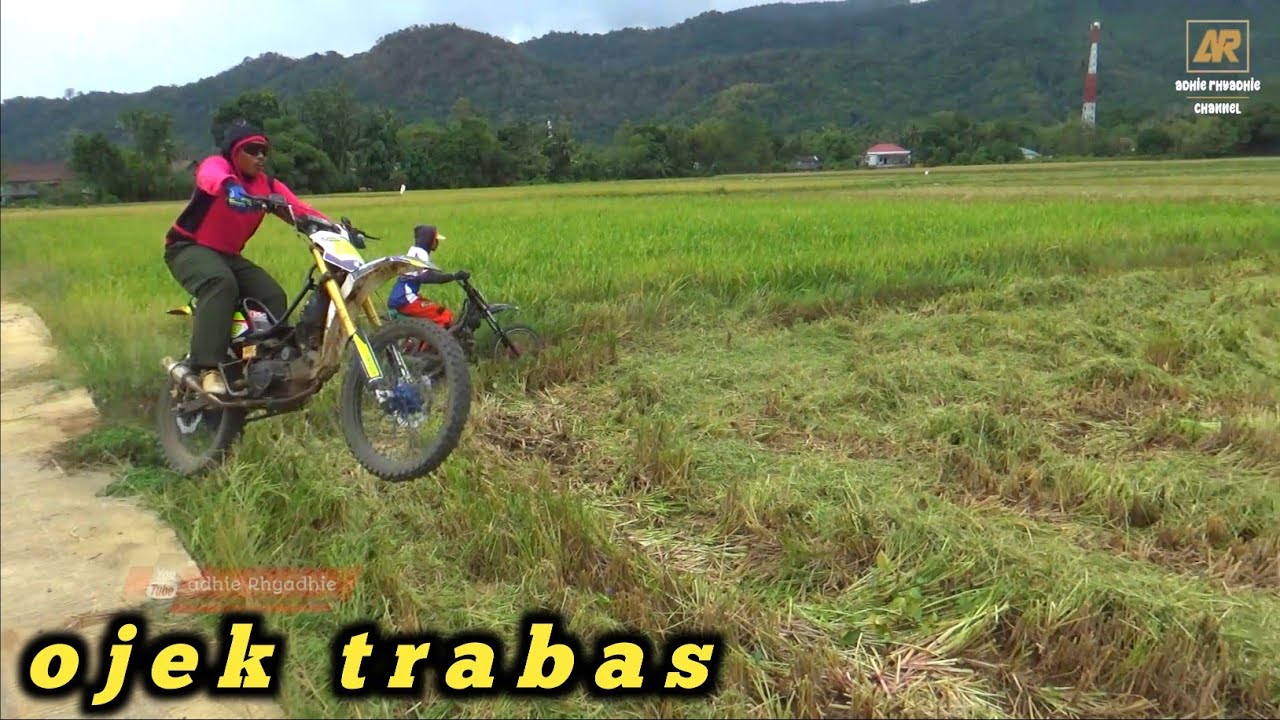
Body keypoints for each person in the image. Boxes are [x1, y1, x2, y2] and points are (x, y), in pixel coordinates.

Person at [163, 121, 332, 395]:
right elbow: (210, 176)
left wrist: (334, 228)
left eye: (264, 150)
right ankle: (207, 368)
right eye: (252, 150)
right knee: (220, 283)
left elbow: (299, 210)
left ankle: (262, 364)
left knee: (272, 295)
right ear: (234, 152)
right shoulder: (219, 168)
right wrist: (231, 188)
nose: (260, 156)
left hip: (228, 255)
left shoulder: (267, 186)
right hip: (188, 248)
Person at [387, 225, 454, 329]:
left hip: (403, 298)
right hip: (405, 300)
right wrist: (453, 276)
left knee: (433, 310)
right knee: (444, 315)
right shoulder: (419, 254)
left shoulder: (416, 251)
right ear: (429, 240)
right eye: (435, 240)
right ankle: (434, 344)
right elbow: (426, 276)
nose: (437, 243)